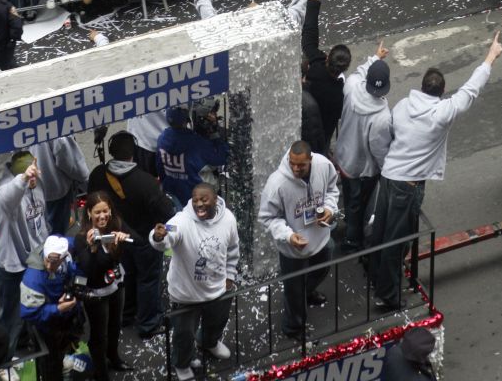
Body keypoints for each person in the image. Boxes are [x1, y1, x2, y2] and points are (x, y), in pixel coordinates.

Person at [368, 31, 502, 310]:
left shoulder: (404, 104)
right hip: (408, 185)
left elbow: (387, 133)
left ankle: (378, 277)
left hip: (390, 176)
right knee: (398, 240)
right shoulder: (441, 113)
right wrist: (490, 56)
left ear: (422, 86)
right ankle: (388, 295)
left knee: (382, 233)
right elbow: (469, 90)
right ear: (441, 92)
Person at [149, 183, 240, 381]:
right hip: (186, 294)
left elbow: (233, 250)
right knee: (183, 334)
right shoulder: (181, 220)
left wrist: (230, 276)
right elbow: (167, 237)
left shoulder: (229, 219)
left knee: (217, 322)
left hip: (218, 289)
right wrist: (158, 237)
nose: (198, 204)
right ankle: (182, 363)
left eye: (204, 200)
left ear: (215, 199)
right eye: (195, 199)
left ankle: (209, 342)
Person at [86, 131, 173, 338]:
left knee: (127, 276)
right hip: (143, 240)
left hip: (115, 238)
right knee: (148, 280)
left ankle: (126, 315)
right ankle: (148, 323)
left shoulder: (98, 174)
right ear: (133, 152)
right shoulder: (145, 182)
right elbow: (167, 211)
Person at [257, 141, 341, 343]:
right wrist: (288, 236)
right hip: (293, 248)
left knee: (321, 268)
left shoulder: (323, 165)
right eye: (292, 164)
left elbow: (332, 189)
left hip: (320, 236)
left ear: (310, 160)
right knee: (294, 289)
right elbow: (267, 217)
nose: (296, 169)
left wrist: (330, 209)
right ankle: (293, 327)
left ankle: (307, 292)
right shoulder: (277, 183)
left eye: (301, 165)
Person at [334, 40, 394, 254]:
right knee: (358, 205)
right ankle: (353, 240)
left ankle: (350, 229)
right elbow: (379, 150)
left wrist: (375, 58)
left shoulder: (351, 86)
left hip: (344, 158)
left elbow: (359, 72)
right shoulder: (382, 117)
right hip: (363, 169)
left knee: (349, 198)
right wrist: (387, 169)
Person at [0, 152, 48, 360]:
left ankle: (23, 341)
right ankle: (3, 360)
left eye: (35, 175)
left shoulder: (37, 186)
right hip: (11, 265)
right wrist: (23, 179)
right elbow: (9, 195)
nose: (34, 181)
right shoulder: (4, 193)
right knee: (11, 316)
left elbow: (40, 221)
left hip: (33, 259)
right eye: (29, 177)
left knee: (32, 304)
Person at [72, 192, 135, 380]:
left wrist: (122, 241)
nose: (102, 216)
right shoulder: (82, 238)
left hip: (116, 284)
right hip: (96, 292)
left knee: (115, 326)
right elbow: (92, 270)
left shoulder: (115, 225)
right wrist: (93, 249)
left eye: (105, 211)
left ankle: (114, 358)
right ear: (89, 213)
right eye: (97, 212)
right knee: (99, 334)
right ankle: (102, 373)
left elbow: (137, 241)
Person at [20, 235, 82, 381]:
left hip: (66, 321)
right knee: (50, 365)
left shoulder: (68, 249)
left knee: (64, 350)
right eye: (47, 260)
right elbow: (29, 314)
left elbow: (78, 243)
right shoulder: (32, 279)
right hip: (46, 328)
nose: (49, 266)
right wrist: (58, 309)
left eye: (54, 262)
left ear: (64, 256)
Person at [300, 0, 350, 156]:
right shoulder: (339, 94)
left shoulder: (315, 67)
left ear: (327, 57)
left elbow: (309, 34)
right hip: (321, 136)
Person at [157, 102, 229, 206]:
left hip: (173, 199)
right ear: (186, 119)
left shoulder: (161, 139)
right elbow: (222, 157)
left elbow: (160, 170)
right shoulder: (196, 143)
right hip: (198, 201)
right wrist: (215, 133)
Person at [31, 135, 90, 235]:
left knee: (40, 225)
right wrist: (84, 176)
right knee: (56, 229)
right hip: (55, 188)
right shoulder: (55, 128)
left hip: (34, 186)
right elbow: (67, 159)